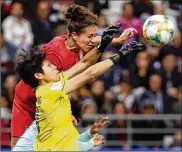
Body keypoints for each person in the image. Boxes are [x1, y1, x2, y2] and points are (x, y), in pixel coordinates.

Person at [11, 4, 137, 147]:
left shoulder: (70, 41)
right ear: (74, 35)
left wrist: (116, 40)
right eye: (90, 36)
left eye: (94, 36)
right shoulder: (53, 59)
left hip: (48, 102)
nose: (93, 40)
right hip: (27, 102)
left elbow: (87, 51)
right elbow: (87, 69)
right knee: (20, 147)